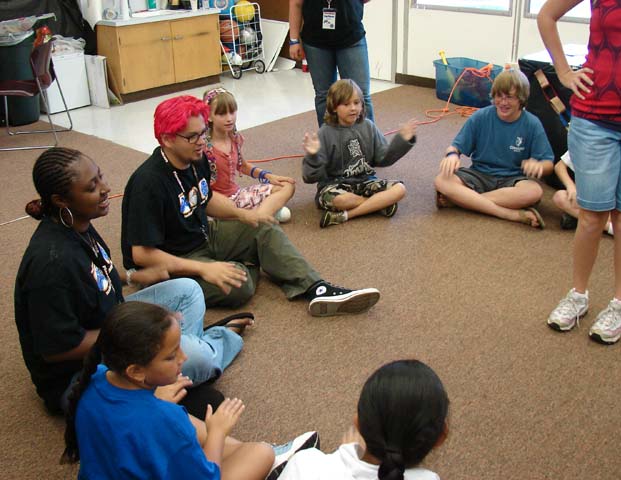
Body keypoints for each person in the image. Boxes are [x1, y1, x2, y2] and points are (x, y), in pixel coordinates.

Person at [14, 147, 249, 415]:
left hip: (112, 318)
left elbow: (96, 277)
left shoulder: (77, 223)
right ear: (61, 200)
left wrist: (133, 277)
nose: (105, 189)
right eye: (92, 187)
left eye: (100, 177)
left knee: (188, 289)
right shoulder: (50, 264)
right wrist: (144, 332)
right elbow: (57, 349)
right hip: (80, 374)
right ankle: (211, 344)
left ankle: (171, 363)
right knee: (199, 359)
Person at [121, 95, 380, 317]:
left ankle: (317, 289)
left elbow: (206, 198)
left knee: (262, 226)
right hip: (169, 260)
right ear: (167, 139)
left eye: (202, 133)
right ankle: (238, 266)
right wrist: (203, 268)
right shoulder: (148, 182)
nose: (201, 141)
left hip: (201, 236)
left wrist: (242, 215)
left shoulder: (197, 157)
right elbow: (142, 255)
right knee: (239, 287)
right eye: (192, 136)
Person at [60, 301, 275, 480]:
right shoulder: (165, 419)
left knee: (189, 421)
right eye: (171, 356)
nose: (184, 357)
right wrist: (218, 432)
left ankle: (239, 450)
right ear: (135, 371)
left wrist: (156, 402)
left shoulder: (94, 378)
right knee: (263, 453)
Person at [538, 0, 621, 344]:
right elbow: (547, 15)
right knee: (592, 216)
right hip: (595, 118)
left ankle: (620, 306)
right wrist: (564, 72)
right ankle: (578, 295)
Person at [275, 359, 449, 480]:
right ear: (440, 437)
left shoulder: (306, 465)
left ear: (357, 423)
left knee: (266, 453)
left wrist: (346, 452)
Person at [434, 69, 555, 229]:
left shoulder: (532, 124)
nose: (503, 103)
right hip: (479, 174)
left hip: (512, 179)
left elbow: (548, 164)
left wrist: (539, 166)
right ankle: (509, 214)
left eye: (509, 97)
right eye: (499, 96)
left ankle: (464, 200)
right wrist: (451, 155)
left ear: (521, 98)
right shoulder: (480, 117)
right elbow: (455, 147)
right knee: (441, 180)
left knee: (534, 191)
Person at [302, 79, 416, 228]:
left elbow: (383, 158)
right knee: (340, 200)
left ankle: (347, 215)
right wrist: (313, 156)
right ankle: (378, 205)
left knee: (400, 189)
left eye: (356, 103)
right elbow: (309, 177)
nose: (353, 108)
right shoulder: (325, 133)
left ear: (362, 105)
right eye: (346, 104)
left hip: (365, 182)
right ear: (334, 107)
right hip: (334, 186)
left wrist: (401, 141)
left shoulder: (368, 126)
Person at [203, 86, 296, 223]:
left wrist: (269, 176)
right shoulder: (203, 147)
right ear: (209, 116)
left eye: (232, 112)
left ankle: (257, 217)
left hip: (237, 196)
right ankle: (259, 216)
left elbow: (243, 166)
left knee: (287, 186)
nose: (229, 118)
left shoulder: (235, 138)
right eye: (222, 114)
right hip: (216, 203)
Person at [289, 0, 374, 126]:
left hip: (351, 36)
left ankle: (366, 136)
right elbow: (296, 3)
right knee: (324, 95)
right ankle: (329, 137)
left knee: (360, 94)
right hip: (315, 41)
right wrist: (294, 40)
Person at [552, 151, 613, 235]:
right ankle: (609, 227)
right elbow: (559, 166)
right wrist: (571, 186)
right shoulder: (584, 144)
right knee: (560, 197)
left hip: (614, 202)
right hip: (589, 197)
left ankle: (585, 219)